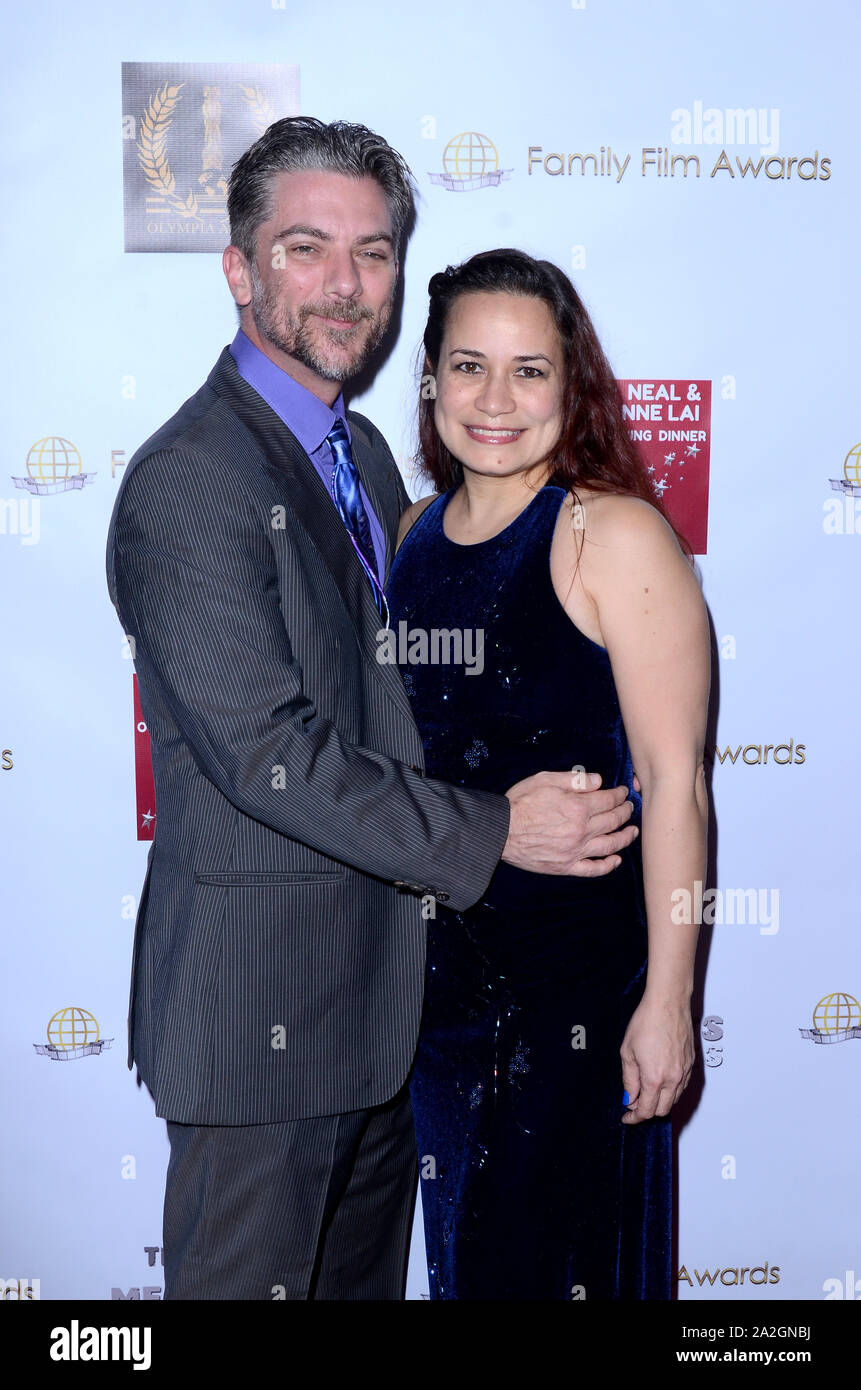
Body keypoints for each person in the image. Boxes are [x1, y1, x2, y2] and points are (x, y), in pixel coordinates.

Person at [104, 121, 640, 1301]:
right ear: (241, 270)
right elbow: (268, 753)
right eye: (308, 247)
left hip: (387, 1018)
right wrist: (498, 830)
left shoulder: (365, 456)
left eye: (376, 251)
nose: (347, 283)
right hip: (262, 1021)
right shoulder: (194, 475)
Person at [388, 248, 710, 1300]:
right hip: (438, 1006)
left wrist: (669, 1001)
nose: (494, 399)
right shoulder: (409, 537)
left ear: (570, 389)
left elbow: (677, 781)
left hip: (573, 1006)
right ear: (429, 377)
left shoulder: (609, 535)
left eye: (530, 370)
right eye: (468, 365)